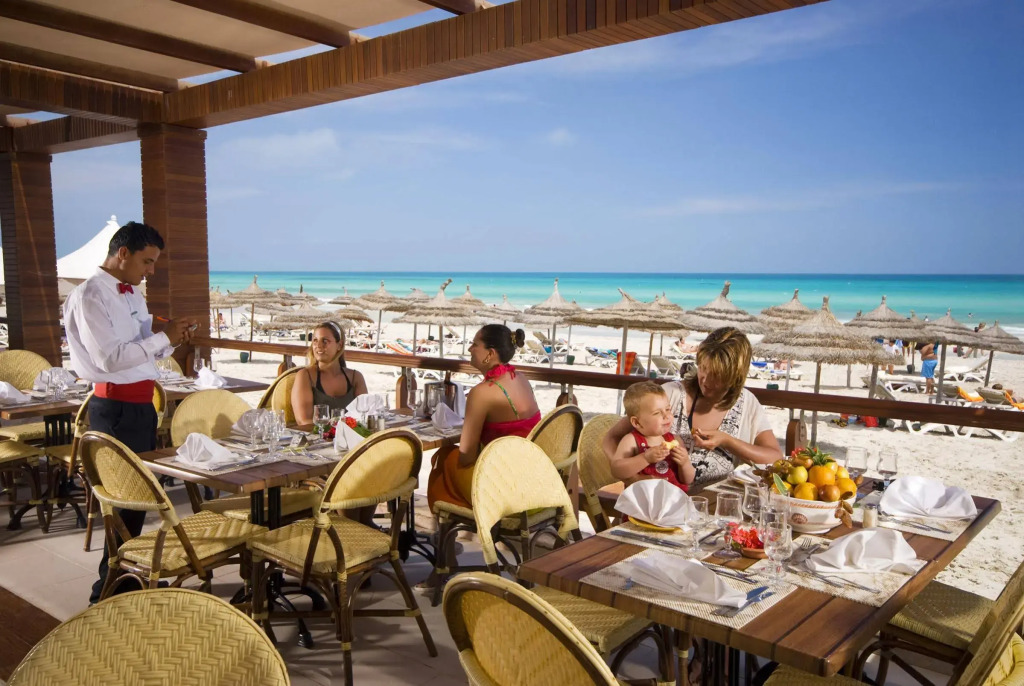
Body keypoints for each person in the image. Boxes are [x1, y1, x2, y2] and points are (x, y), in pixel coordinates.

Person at [64, 221, 195, 604]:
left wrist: (171, 338)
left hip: (140, 405)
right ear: (123, 253)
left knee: (137, 501)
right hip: (114, 407)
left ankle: (124, 579)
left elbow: (142, 345)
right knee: (123, 501)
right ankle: (106, 589)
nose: (150, 270)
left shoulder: (132, 292)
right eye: (147, 261)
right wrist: (162, 338)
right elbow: (110, 359)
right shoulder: (90, 295)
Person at [603, 327, 781, 488]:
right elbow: (611, 439)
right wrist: (634, 479)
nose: (705, 380)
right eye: (703, 368)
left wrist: (727, 441)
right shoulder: (669, 395)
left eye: (716, 375)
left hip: (713, 503)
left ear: (735, 376)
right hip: (656, 502)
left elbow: (774, 457)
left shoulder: (747, 403)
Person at [427, 325, 540, 510]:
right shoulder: (520, 378)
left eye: (475, 344)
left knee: (444, 458)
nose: (470, 349)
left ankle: (455, 520)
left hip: (502, 483)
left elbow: (466, 456)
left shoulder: (482, 393)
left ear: (490, 353)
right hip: (528, 474)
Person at [609, 381, 694, 491]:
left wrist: (684, 463)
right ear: (637, 422)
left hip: (674, 499)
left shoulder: (675, 440)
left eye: (668, 409)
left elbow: (687, 480)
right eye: (657, 413)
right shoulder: (631, 440)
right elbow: (616, 470)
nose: (666, 416)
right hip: (643, 499)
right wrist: (645, 458)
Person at [291, 321, 367, 425]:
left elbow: (365, 416)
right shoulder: (305, 376)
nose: (318, 345)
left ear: (339, 345)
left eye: (325, 341)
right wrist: (338, 427)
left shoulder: (355, 378)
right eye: (315, 340)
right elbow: (304, 421)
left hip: (350, 435)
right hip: (317, 435)